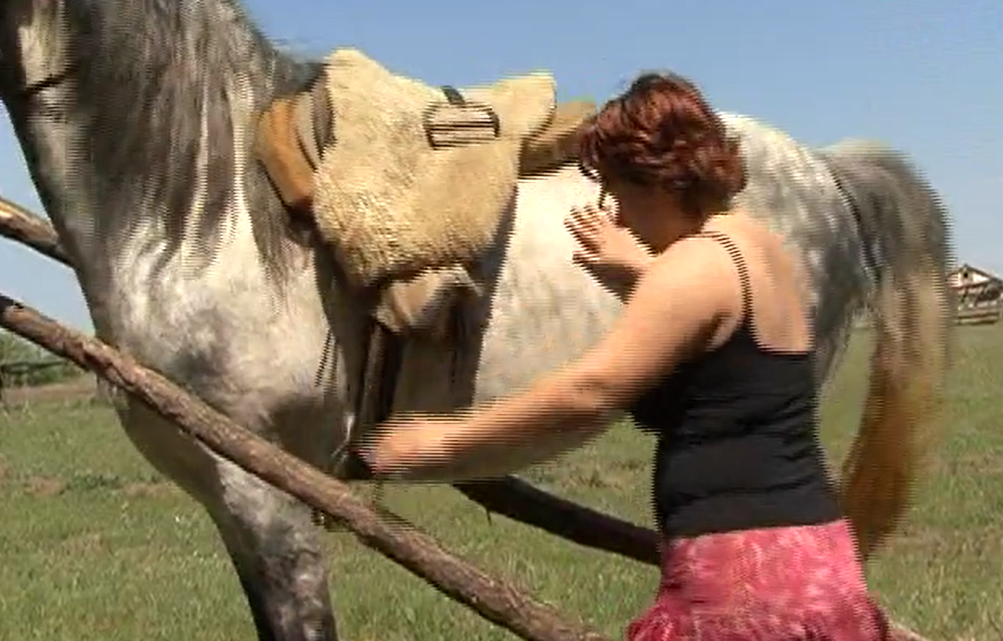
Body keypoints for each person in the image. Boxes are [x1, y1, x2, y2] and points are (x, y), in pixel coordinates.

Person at [358, 72, 888, 640]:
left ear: (656, 179)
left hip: (740, 580)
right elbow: (723, 357)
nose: (614, 210)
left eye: (616, 188)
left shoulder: (693, 268)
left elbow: (592, 390)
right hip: (811, 556)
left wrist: (444, 438)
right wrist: (639, 273)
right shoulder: (760, 248)